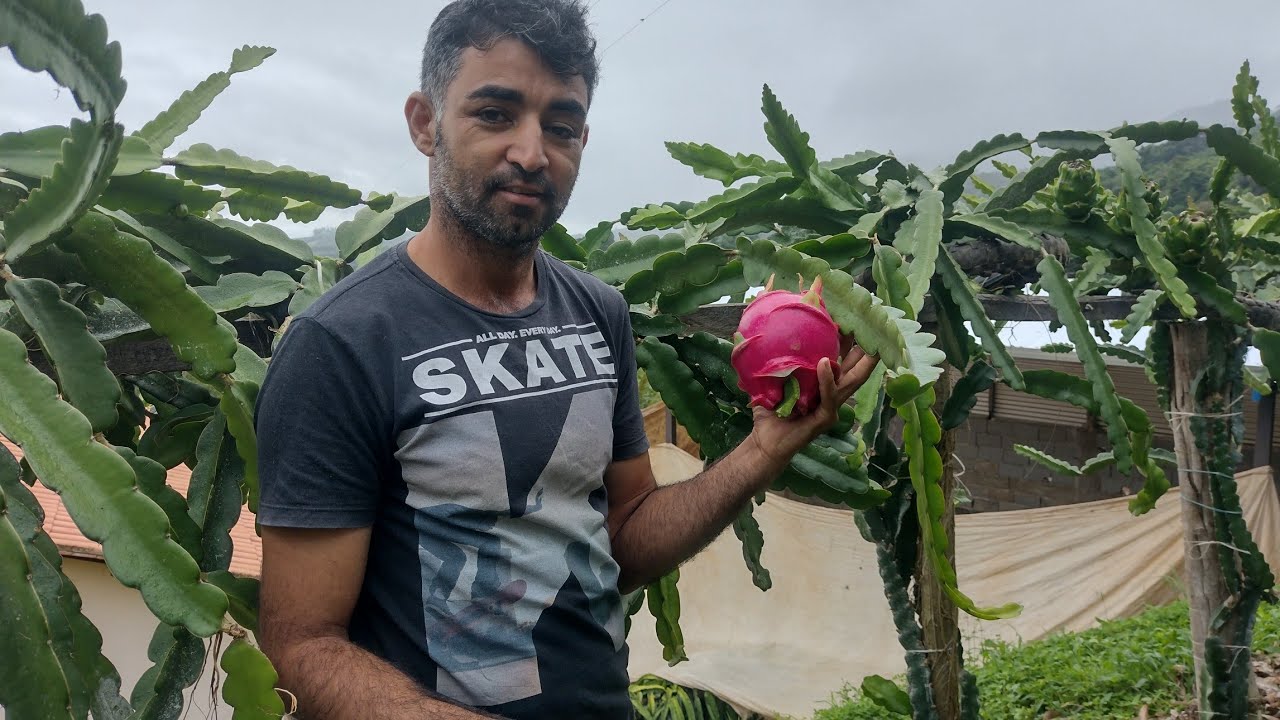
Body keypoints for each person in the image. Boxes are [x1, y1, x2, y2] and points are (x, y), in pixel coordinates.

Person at [253, 1, 879, 718]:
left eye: (559, 126)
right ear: (426, 124)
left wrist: (763, 452)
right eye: (495, 114)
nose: (531, 151)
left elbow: (625, 534)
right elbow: (301, 644)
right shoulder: (343, 342)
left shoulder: (597, 313)